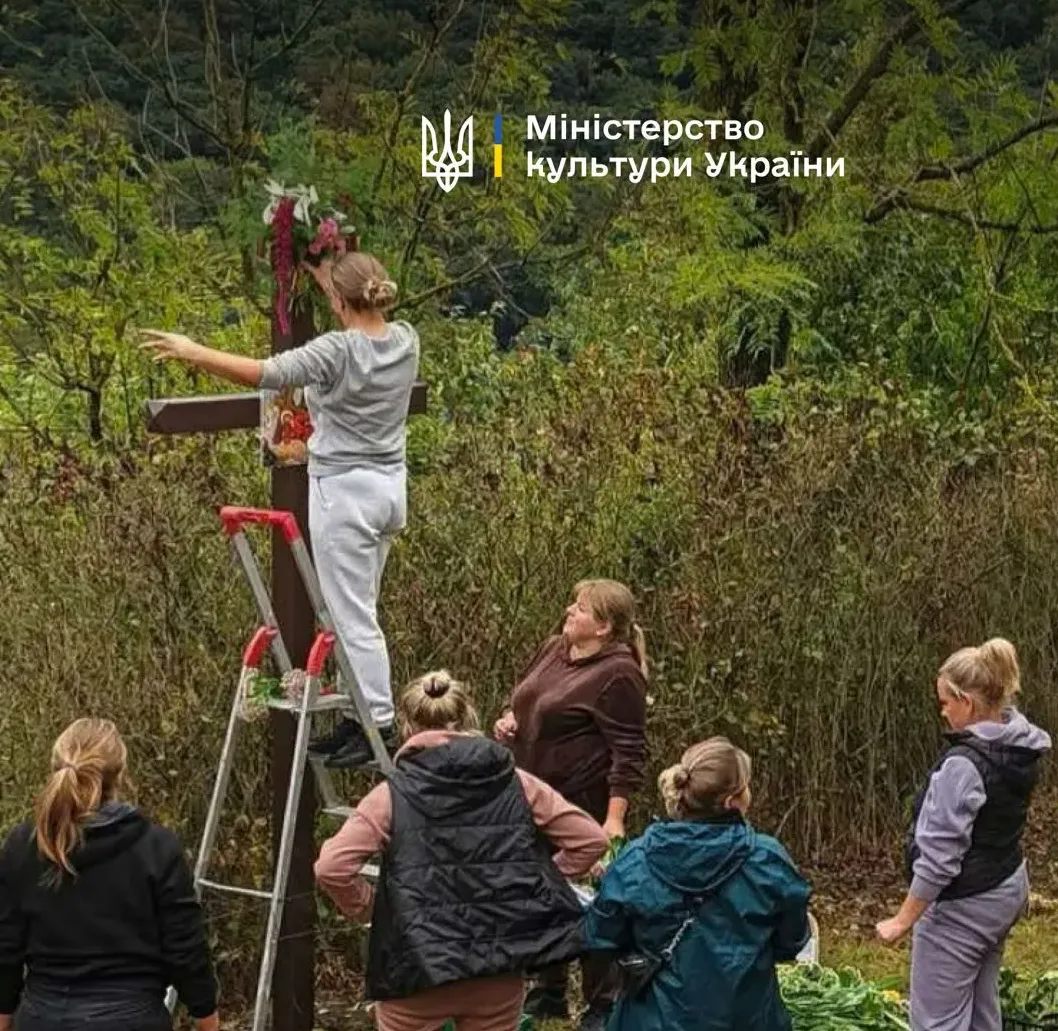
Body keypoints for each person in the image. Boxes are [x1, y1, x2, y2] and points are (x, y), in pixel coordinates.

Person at [140, 250, 419, 767]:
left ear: (338, 301)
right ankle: (357, 714)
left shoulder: (335, 351)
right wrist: (329, 276)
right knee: (358, 608)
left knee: (350, 616)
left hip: (346, 495)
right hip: (388, 489)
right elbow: (357, 305)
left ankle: (376, 723)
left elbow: (265, 373)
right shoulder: (405, 340)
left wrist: (192, 351)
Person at [314, 670, 610, 1031]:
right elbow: (590, 840)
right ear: (467, 718)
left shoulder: (391, 794)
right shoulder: (515, 782)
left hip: (416, 965)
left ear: (407, 726)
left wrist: (371, 908)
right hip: (497, 964)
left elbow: (332, 866)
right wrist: (533, 885)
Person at [493, 579, 649, 1029]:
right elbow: (525, 698)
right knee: (540, 892)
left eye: (580, 608)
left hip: (583, 803)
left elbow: (629, 751)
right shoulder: (554, 648)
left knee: (592, 902)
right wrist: (510, 720)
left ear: (604, 627)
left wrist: (614, 819)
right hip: (529, 793)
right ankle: (549, 991)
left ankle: (602, 1004)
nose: (569, 611)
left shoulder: (619, 674)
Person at [877, 638, 1051, 1031]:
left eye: (945, 702)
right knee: (980, 1009)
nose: (942, 711)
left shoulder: (964, 765)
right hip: (1004, 888)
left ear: (967, 703)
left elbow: (940, 857)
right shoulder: (1018, 745)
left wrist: (903, 920)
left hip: (963, 904)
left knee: (936, 1021)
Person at [0, 718, 219, 1031]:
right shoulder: (155, 847)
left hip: (44, 1018)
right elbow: (185, 946)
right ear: (120, 775)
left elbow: (6, 946)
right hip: (132, 1019)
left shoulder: (25, 845)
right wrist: (206, 1017)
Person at [584, 736, 811, 1031]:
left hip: (650, 1020)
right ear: (731, 802)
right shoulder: (767, 860)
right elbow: (791, 941)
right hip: (746, 1018)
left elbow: (600, 938)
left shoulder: (634, 861)